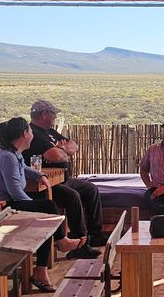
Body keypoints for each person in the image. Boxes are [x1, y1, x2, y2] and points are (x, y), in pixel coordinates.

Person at [0, 117, 85, 292]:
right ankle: (60, 244)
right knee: (47, 209)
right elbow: (16, 193)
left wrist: (38, 175)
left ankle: (42, 268)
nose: (33, 134)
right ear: (24, 134)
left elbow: (24, 168)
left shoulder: (13, 154)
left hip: (5, 204)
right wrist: (37, 211)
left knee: (45, 214)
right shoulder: (7, 157)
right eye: (31, 131)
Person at [24, 99, 105, 258]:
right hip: (44, 184)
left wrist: (63, 149)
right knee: (72, 197)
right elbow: (55, 156)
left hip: (62, 179)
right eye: (53, 114)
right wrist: (61, 150)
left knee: (91, 189)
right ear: (44, 114)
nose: (54, 117)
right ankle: (79, 244)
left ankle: (95, 235)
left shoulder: (50, 132)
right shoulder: (34, 134)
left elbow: (73, 145)